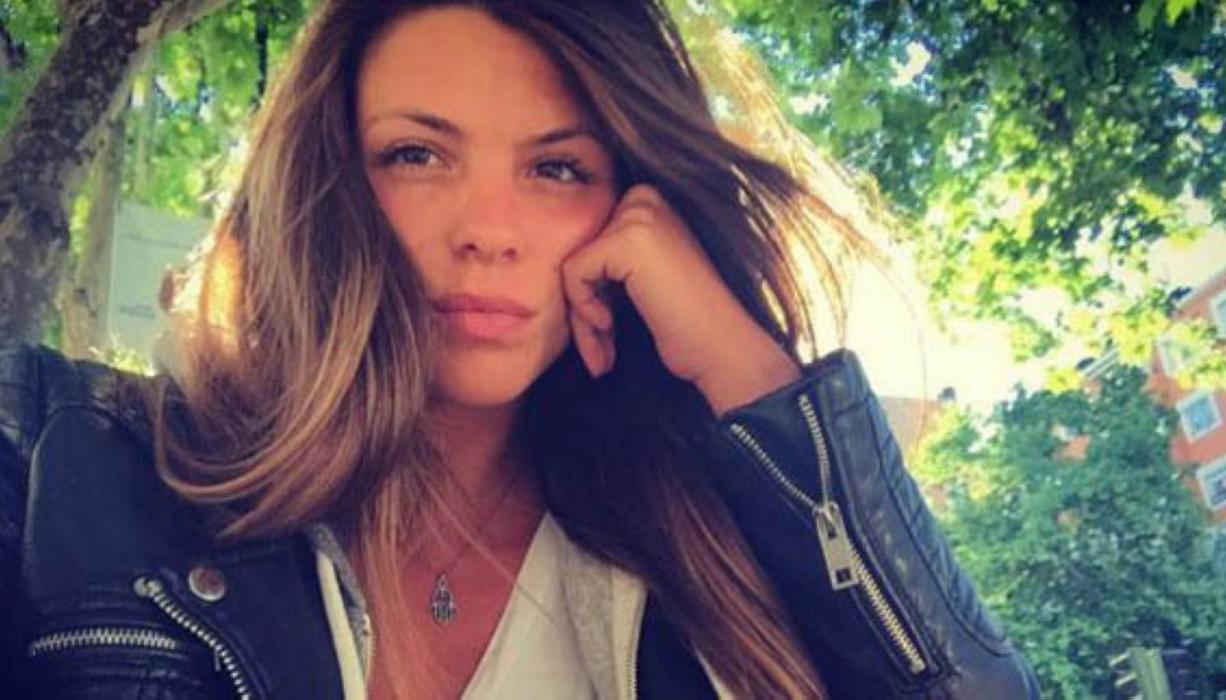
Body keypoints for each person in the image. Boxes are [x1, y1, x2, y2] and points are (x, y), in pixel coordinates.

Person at [0, 0, 1040, 698]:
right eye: (417, 154)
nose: (489, 231)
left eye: (557, 169)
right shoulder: (56, 454)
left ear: (635, 203)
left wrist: (749, 369)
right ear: (324, 182)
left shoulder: (711, 543)